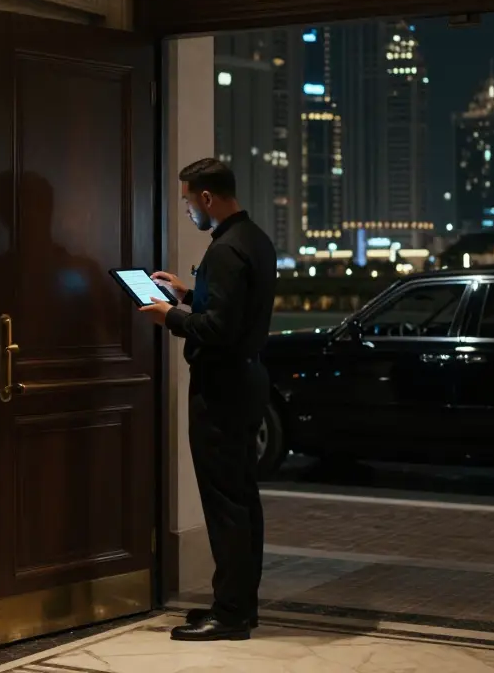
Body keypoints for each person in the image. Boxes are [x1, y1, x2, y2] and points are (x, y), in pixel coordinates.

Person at [138, 158, 277, 642]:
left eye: (187, 200)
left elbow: (218, 329)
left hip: (221, 389)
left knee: (225, 504)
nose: (187, 210)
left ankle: (232, 614)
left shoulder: (224, 250)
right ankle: (237, 604)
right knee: (241, 499)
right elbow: (230, 311)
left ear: (207, 199)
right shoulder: (254, 240)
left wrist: (168, 317)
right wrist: (186, 293)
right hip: (247, 380)